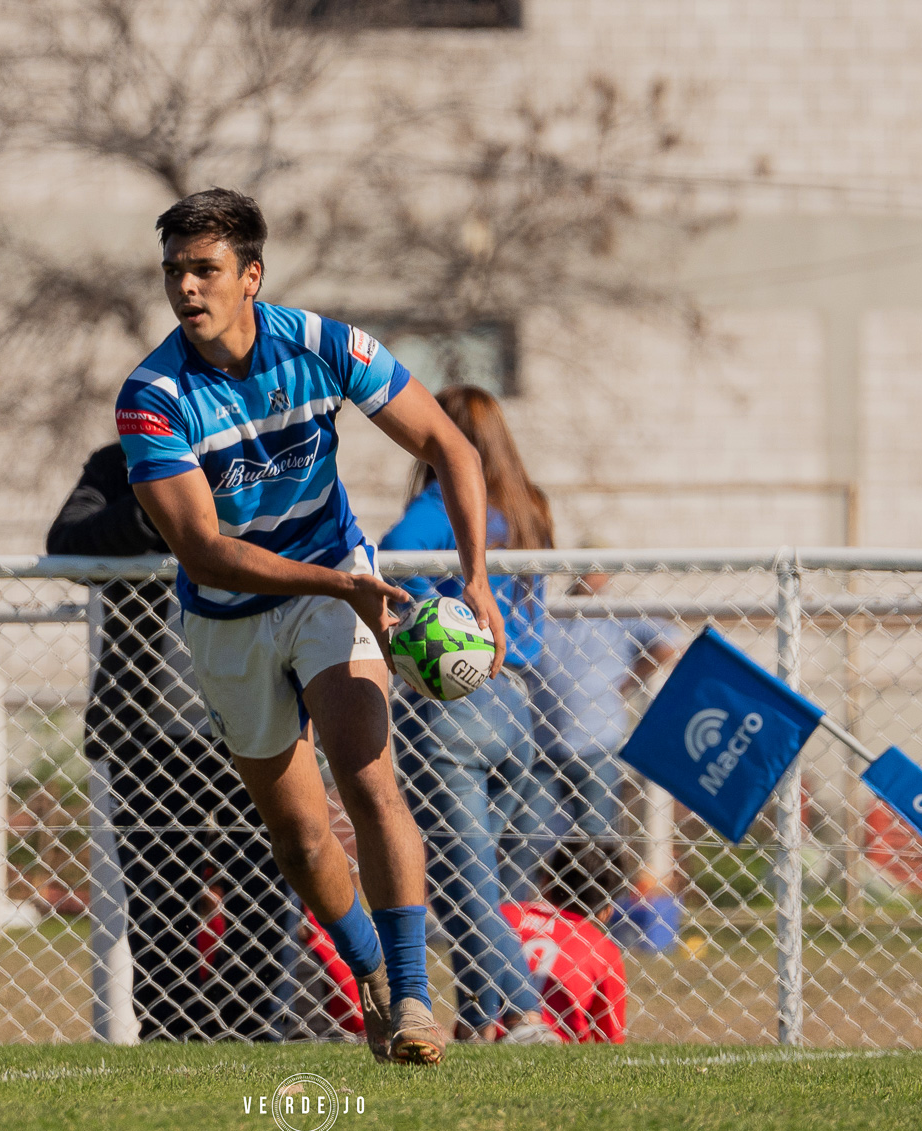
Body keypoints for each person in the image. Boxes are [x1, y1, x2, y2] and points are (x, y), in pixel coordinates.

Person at [119, 188, 507, 1065]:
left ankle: (413, 998)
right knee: (298, 839)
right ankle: (370, 972)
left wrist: (477, 578)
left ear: (252, 276)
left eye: (205, 269)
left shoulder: (325, 346)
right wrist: (343, 584)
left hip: (337, 589)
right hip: (231, 615)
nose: (186, 287)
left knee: (369, 784)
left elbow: (450, 446)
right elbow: (205, 552)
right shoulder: (151, 397)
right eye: (174, 271)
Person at [47, 442, 295, 1042]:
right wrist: (156, 507)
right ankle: (169, 1032)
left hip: (253, 718)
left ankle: (248, 1029)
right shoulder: (121, 463)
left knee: (262, 885)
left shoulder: (262, 454)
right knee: (159, 896)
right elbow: (66, 541)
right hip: (147, 729)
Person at [379, 385, 560, 1045]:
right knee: (480, 881)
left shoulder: (442, 504)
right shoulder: (528, 507)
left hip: (454, 703)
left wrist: (425, 617)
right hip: (518, 705)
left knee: (464, 879)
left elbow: (392, 553)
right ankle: (480, 1021)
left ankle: (524, 1015)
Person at [529, 572, 681, 849]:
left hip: (597, 743)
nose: (591, 577)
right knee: (530, 835)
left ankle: (593, 878)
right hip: (543, 746)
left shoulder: (619, 616)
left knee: (596, 837)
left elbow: (669, 644)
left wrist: (631, 679)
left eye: (597, 570)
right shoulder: (551, 612)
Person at [500, 840, 629, 1044]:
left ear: (546, 883)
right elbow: (609, 1040)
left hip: (489, 1032)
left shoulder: (504, 916)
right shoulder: (602, 949)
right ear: (607, 911)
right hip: (554, 1044)